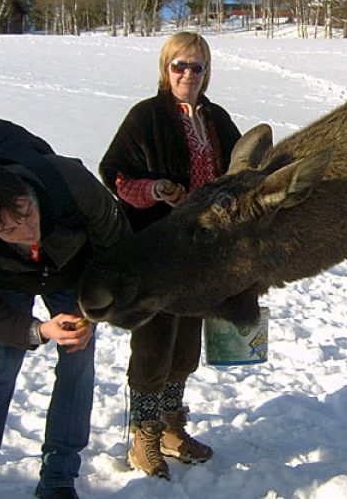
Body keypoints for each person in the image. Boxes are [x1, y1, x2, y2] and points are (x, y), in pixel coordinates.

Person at [0, 133, 128, 499]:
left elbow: (119, 248)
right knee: (0, 361)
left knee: (77, 360)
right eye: (10, 229)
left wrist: (91, 308)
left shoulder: (71, 184)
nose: (28, 230)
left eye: (27, 212)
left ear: (28, 191)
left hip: (73, 272)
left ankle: (60, 478)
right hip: (8, 280)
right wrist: (38, 330)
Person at [98, 31, 242, 480]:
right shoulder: (147, 116)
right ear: (165, 68)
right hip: (157, 247)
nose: (187, 75)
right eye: (179, 65)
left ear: (206, 71)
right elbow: (117, 176)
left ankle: (170, 426)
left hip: (203, 252)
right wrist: (156, 190)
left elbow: (239, 173)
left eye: (196, 67)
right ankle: (143, 435)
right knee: (156, 340)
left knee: (186, 346)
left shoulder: (216, 119)